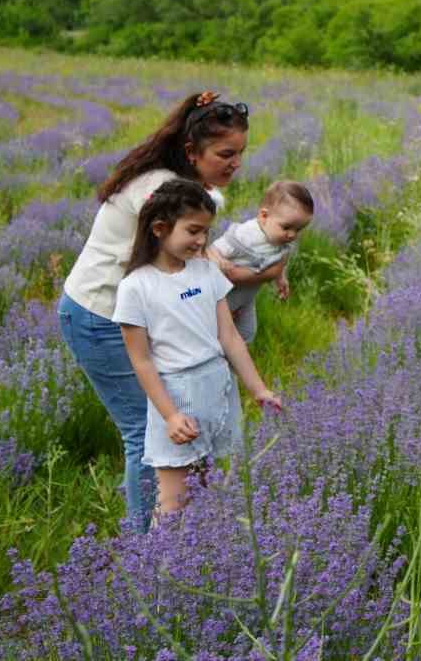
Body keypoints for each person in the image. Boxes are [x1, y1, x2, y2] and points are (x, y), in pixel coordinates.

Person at [58, 90, 250, 532]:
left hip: (140, 318)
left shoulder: (184, 187)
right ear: (191, 151)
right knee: (148, 432)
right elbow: (185, 251)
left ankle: (182, 534)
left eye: (240, 153)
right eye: (225, 154)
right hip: (100, 317)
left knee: (180, 423)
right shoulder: (158, 188)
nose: (235, 163)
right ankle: (147, 547)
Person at [113, 179, 282, 516]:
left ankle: (201, 551)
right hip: (177, 397)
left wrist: (258, 389)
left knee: (207, 491)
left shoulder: (206, 272)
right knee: (172, 504)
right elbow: (141, 360)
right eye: (193, 231)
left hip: (216, 390)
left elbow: (229, 337)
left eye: (206, 231)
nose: (202, 240)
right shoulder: (136, 287)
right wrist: (170, 415)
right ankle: (158, 554)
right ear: (160, 228)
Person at [210, 180, 313, 343]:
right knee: (218, 335)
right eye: (286, 227)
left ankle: (236, 356)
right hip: (224, 298)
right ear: (264, 216)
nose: (292, 235)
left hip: (246, 299)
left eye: (298, 230)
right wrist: (219, 261)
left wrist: (281, 278)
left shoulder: (280, 240)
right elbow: (214, 249)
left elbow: (280, 257)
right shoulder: (245, 235)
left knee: (247, 333)